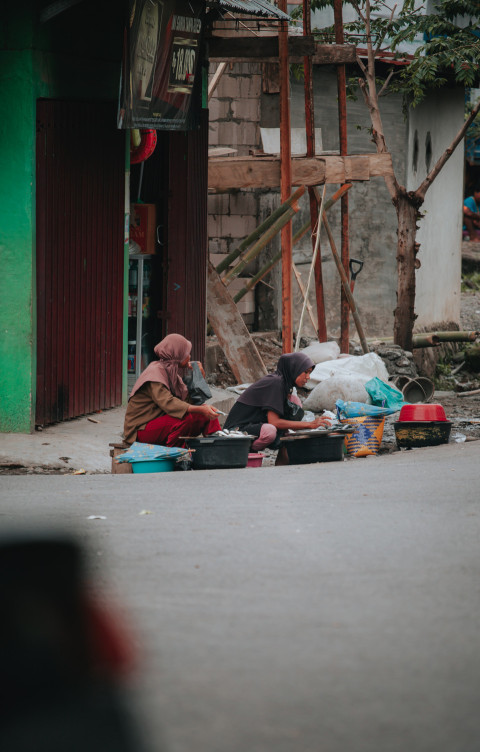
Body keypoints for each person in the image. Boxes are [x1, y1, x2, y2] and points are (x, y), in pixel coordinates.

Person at [223, 352, 332, 465]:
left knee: (295, 404)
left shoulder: (286, 386)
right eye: (305, 372)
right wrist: (310, 425)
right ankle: (249, 452)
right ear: (294, 369)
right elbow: (274, 422)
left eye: (309, 373)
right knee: (269, 431)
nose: (308, 377)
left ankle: (282, 462)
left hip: (255, 425)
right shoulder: (276, 382)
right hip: (237, 431)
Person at [123, 334, 221, 447]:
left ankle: (217, 447)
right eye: (186, 353)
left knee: (206, 413)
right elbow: (169, 403)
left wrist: (199, 377)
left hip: (159, 423)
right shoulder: (154, 372)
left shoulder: (172, 373)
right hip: (140, 430)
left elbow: (190, 401)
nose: (189, 356)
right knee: (187, 418)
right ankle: (175, 456)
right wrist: (199, 409)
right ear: (176, 355)